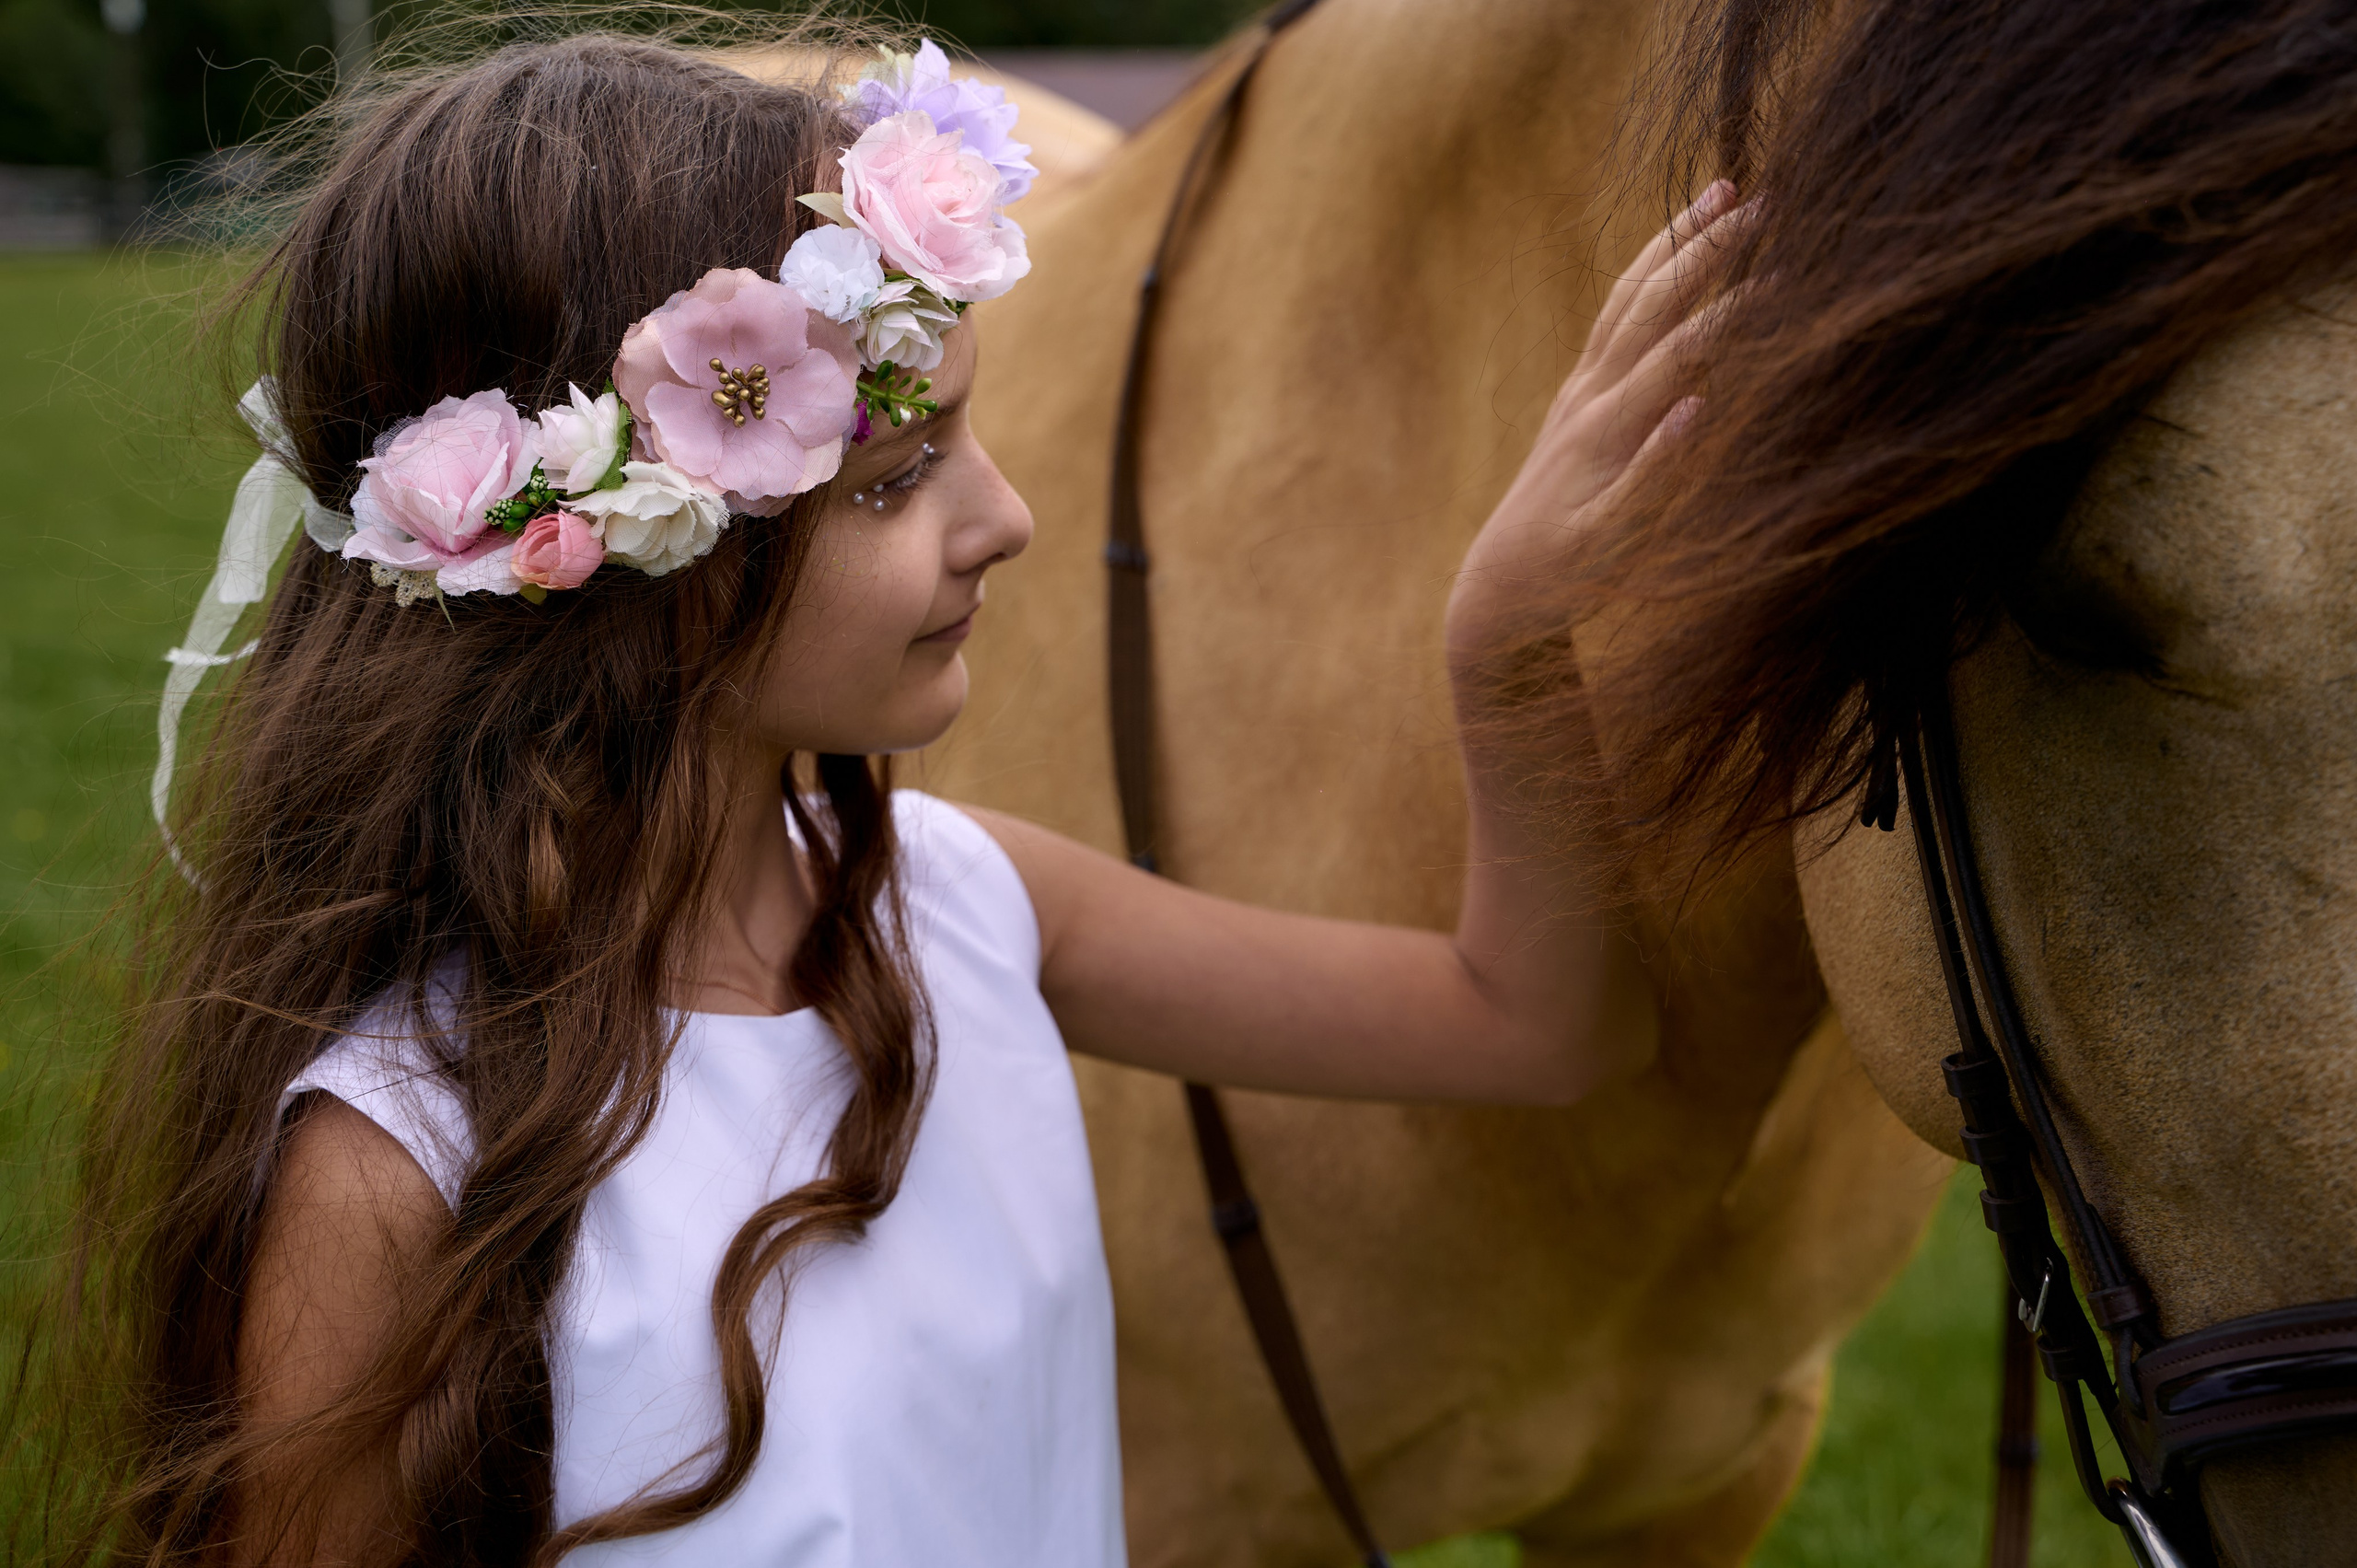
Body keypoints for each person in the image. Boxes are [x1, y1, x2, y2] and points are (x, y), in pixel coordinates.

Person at [67, 23, 1737, 1568]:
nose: (1007, 519)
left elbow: (1538, 1027)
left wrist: (1512, 649)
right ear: (636, 555)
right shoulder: (397, 1167)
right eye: (897, 475)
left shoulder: (968, 907)